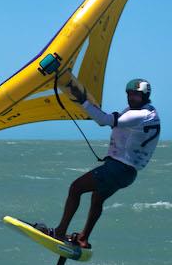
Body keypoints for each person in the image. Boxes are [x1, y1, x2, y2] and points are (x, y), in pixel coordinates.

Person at [51, 78, 161, 249]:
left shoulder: (138, 114)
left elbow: (104, 120)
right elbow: (119, 126)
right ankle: (83, 238)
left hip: (117, 169)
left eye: (136, 96)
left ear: (146, 96)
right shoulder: (149, 113)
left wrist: (82, 100)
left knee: (75, 188)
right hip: (127, 173)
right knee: (97, 199)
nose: (132, 98)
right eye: (130, 94)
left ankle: (59, 231)